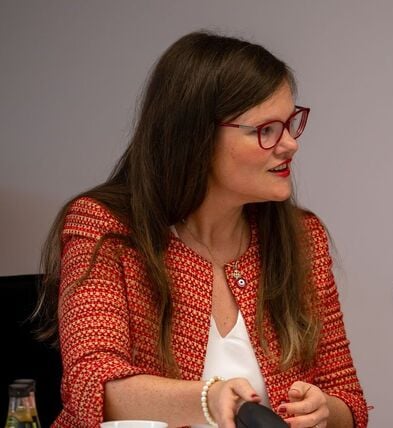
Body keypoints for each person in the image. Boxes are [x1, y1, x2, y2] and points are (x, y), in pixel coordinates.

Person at [34, 31, 368, 428]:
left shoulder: (302, 237)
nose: (290, 144)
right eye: (266, 130)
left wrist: (325, 411)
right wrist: (209, 398)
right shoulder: (104, 228)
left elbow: (348, 399)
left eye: (291, 123)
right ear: (196, 137)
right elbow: (93, 385)